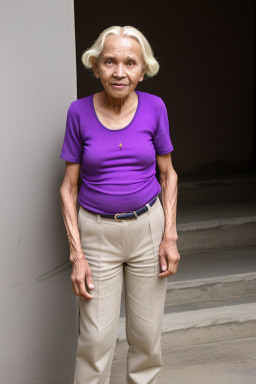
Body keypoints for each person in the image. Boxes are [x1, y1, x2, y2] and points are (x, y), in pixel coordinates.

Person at [60, 25, 180, 384]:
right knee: (95, 340)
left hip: (148, 227)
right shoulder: (78, 112)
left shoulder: (155, 108)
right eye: (110, 61)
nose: (119, 72)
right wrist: (77, 253)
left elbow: (168, 175)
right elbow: (68, 186)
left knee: (146, 337)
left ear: (143, 70)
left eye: (130, 63)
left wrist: (169, 235)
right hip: (96, 232)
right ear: (95, 66)